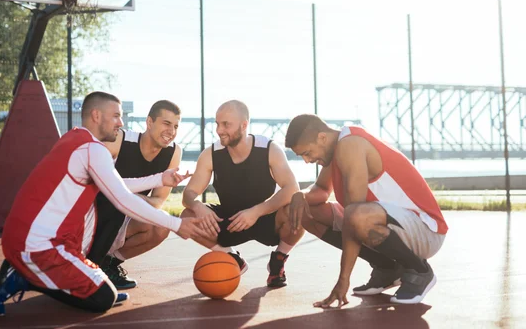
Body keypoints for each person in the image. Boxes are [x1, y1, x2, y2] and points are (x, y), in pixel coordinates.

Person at [0, 91, 204, 317]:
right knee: (104, 298)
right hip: (39, 245)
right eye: (115, 116)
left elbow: (116, 184)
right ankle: (26, 277)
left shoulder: (76, 140)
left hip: (29, 236)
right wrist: (176, 225)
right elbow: (121, 197)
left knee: (101, 273)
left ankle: (90, 275)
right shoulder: (95, 151)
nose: (121, 123)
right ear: (96, 115)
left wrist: (159, 179)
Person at [285, 114, 447, 307]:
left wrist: (343, 280)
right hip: (392, 225)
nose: (307, 160)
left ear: (322, 138)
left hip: (426, 230)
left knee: (355, 215)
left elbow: (354, 215)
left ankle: (419, 271)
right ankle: (387, 268)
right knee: (305, 211)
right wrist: (300, 195)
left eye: (307, 153)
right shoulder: (335, 151)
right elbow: (321, 191)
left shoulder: (350, 145)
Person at [181, 100, 304, 287]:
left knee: (300, 207)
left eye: (226, 124)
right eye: (217, 124)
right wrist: (197, 206)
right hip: (230, 221)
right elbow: (188, 193)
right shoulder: (211, 154)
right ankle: (231, 258)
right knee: (188, 215)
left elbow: (291, 188)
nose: (219, 130)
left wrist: (256, 212)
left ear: (244, 125)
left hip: (265, 217)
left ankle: (278, 260)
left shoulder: (269, 149)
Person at [86, 100, 184, 290]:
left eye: (176, 126)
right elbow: (91, 179)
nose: (171, 131)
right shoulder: (121, 140)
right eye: (166, 123)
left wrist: (125, 196)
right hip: (98, 216)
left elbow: (157, 202)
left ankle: (109, 264)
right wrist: (119, 195)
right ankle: (89, 260)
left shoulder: (174, 152)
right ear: (149, 122)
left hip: (127, 214)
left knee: (160, 227)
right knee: (112, 205)